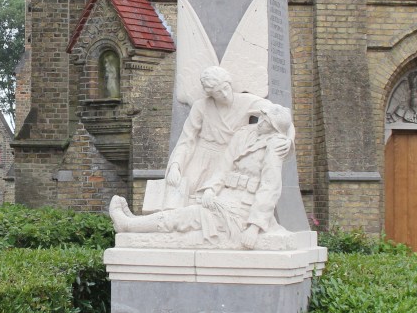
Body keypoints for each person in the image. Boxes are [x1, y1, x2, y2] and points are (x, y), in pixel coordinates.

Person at [111, 103, 294, 249]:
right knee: (187, 217)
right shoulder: (244, 134)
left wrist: (254, 227)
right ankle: (133, 224)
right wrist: (210, 189)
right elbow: (224, 167)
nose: (260, 123)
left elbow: (270, 187)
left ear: (275, 129)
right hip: (225, 197)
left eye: (267, 122)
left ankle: (130, 226)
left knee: (188, 217)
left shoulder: (275, 145)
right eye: (261, 117)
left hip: (243, 209)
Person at [165, 66, 288, 207]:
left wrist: (287, 139)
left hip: (229, 157)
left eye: (226, 87)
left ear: (230, 83)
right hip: (202, 156)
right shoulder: (201, 106)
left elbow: (280, 115)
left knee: (219, 198)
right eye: (218, 92)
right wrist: (175, 166)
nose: (224, 94)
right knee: (186, 188)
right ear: (210, 94)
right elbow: (187, 139)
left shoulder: (246, 101)